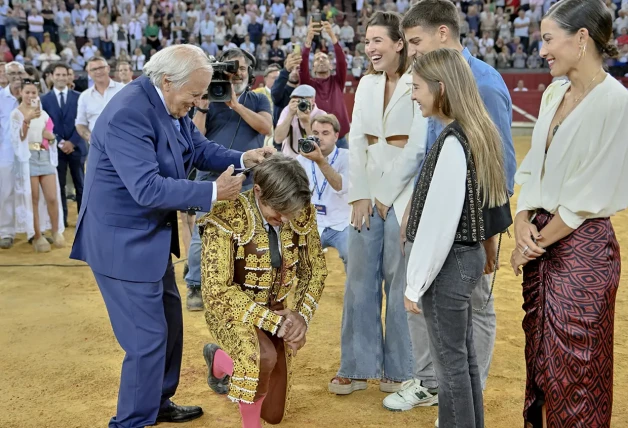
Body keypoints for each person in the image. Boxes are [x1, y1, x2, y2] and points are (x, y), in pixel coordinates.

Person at [69, 44, 275, 428]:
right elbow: (146, 189)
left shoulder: (168, 102)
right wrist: (213, 193)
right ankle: (132, 421)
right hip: (121, 245)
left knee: (169, 325)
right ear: (167, 81)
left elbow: (197, 149)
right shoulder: (129, 113)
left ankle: (156, 402)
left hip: (148, 238)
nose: (199, 103)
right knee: (147, 338)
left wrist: (243, 159)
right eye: (195, 96)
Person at [384, 0, 517, 413]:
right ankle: (438, 388)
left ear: (443, 34)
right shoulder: (445, 103)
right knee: (457, 350)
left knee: (467, 329)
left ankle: (454, 402)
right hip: (453, 228)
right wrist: (415, 210)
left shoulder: (484, 86)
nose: (411, 52)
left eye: (415, 42)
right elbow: (435, 161)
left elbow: (497, 168)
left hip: (462, 235)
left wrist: (487, 235)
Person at [510, 1, 628, 426]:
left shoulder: (616, 102)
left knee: (577, 371)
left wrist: (530, 245)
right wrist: (522, 217)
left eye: (547, 39)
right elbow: (535, 169)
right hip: (543, 240)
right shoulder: (552, 92)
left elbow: (585, 196)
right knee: (540, 363)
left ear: (581, 39)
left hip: (584, 253)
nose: (541, 49)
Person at [405, 47, 511, 428]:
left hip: (449, 264)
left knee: (449, 365)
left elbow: (439, 223)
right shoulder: (475, 130)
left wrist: (414, 284)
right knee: (461, 358)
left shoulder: (454, 140)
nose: (413, 95)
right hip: (464, 259)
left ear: (441, 87)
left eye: (417, 87)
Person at [329, 11, 427, 396]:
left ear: (398, 43)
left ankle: (400, 369)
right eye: (367, 41)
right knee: (358, 279)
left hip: (403, 195)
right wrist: (360, 194)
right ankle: (355, 366)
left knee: (399, 279)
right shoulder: (366, 85)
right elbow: (356, 141)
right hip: (366, 194)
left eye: (377, 41)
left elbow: (418, 147)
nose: (369, 48)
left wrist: (386, 197)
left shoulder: (420, 80)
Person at [200, 154, 327, 428]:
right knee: (260, 358)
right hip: (231, 312)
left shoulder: (300, 212)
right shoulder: (226, 214)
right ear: (257, 191)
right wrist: (275, 323)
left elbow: (314, 270)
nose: (284, 219)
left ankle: (219, 361)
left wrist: (301, 317)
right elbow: (216, 290)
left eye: (289, 212)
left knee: (274, 413)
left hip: (277, 309)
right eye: (278, 211)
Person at [186, 47, 273, 311]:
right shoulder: (207, 101)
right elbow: (193, 139)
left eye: (242, 69)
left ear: (250, 72)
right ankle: (195, 286)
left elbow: (266, 127)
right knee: (203, 234)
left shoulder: (258, 100)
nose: (237, 75)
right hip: (210, 178)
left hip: (249, 178)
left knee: (250, 234)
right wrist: (201, 108)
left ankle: (246, 283)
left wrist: (235, 104)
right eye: (231, 69)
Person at [10, 78, 65, 252]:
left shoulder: (43, 113)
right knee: (32, 199)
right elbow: (17, 139)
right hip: (27, 158)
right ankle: (37, 236)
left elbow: (49, 133)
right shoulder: (15, 114)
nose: (31, 95)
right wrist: (26, 120)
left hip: (44, 155)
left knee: (52, 197)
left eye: (34, 92)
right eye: (27, 92)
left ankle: (56, 231)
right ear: (21, 93)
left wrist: (51, 138)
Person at [296, 114, 350, 271]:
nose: (320, 138)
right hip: (312, 224)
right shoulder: (302, 160)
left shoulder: (347, 157)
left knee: (354, 257)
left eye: (325, 133)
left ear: (336, 136)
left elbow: (339, 185)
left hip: (342, 223)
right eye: (316, 133)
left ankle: (353, 295)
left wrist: (320, 160)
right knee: (297, 261)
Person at [40, 63, 86, 228]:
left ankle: (83, 219)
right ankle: (61, 220)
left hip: (78, 147)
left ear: (69, 77)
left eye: (64, 75)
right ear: (52, 76)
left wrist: (72, 142)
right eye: (57, 75)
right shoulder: (44, 99)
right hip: (55, 149)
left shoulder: (80, 97)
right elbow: (45, 125)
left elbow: (83, 121)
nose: (60, 78)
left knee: (81, 185)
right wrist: (60, 142)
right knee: (58, 186)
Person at [300, 19, 350, 148]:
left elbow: (342, 62)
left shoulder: (338, 81)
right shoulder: (308, 85)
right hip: (317, 139)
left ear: (331, 65)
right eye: (317, 59)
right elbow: (302, 64)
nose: (321, 60)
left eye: (325, 58)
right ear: (313, 68)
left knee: (344, 169)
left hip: (340, 138)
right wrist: (309, 39)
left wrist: (332, 37)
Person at [75, 56, 125, 145]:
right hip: (97, 148)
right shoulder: (84, 96)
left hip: (123, 145)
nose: (98, 71)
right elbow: (80, 124)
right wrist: (91, 137)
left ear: (108, 68)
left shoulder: (124, 90)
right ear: (89, 73)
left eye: (101, 68)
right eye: (94, 69)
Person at [0, 61, 23, 250]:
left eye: (19, 73)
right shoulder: (0, 98)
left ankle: (33, 231)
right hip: (6, 152)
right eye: (12, 73)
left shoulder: (30, 96)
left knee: (32, 192)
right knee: (6, 192)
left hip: (29, 152)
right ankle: (6, 232)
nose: (16, 76)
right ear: (5, 75)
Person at [275, 84, 326, 158]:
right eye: (296, 100)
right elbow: (278, 139)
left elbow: (319, 146)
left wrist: (306, 123)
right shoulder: (288, 110)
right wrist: (290, 115)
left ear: (313, 100)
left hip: (312, 160)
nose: (300, 103)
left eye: (303, 99)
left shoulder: (321, 114)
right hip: (290, 161)